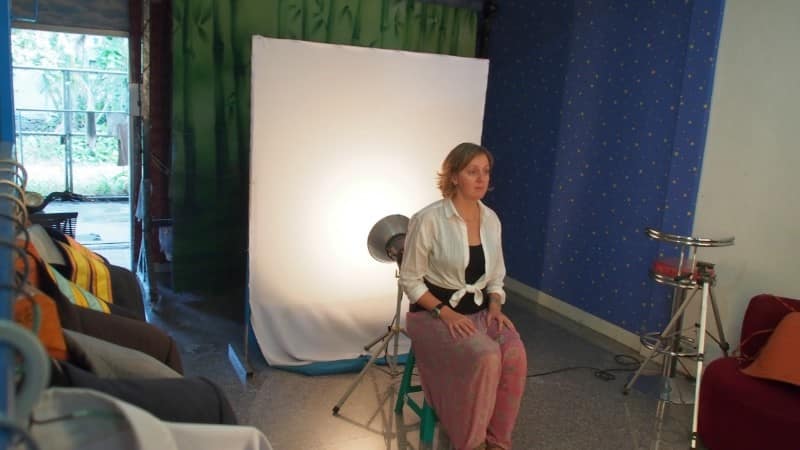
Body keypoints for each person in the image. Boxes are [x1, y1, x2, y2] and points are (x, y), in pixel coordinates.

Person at [399, 142, 527, 450]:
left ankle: (498, 442)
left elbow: (496, 276)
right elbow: (410, 280)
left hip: (480, 312)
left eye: (486, 172)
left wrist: (495, 306)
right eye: (472, 172)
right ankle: (471, 442)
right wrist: (446, 313)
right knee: (486, 356)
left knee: (515, 354)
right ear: (454, 176)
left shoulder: (491, 219)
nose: (482, 179)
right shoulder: (429, 219)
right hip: (432, 315)